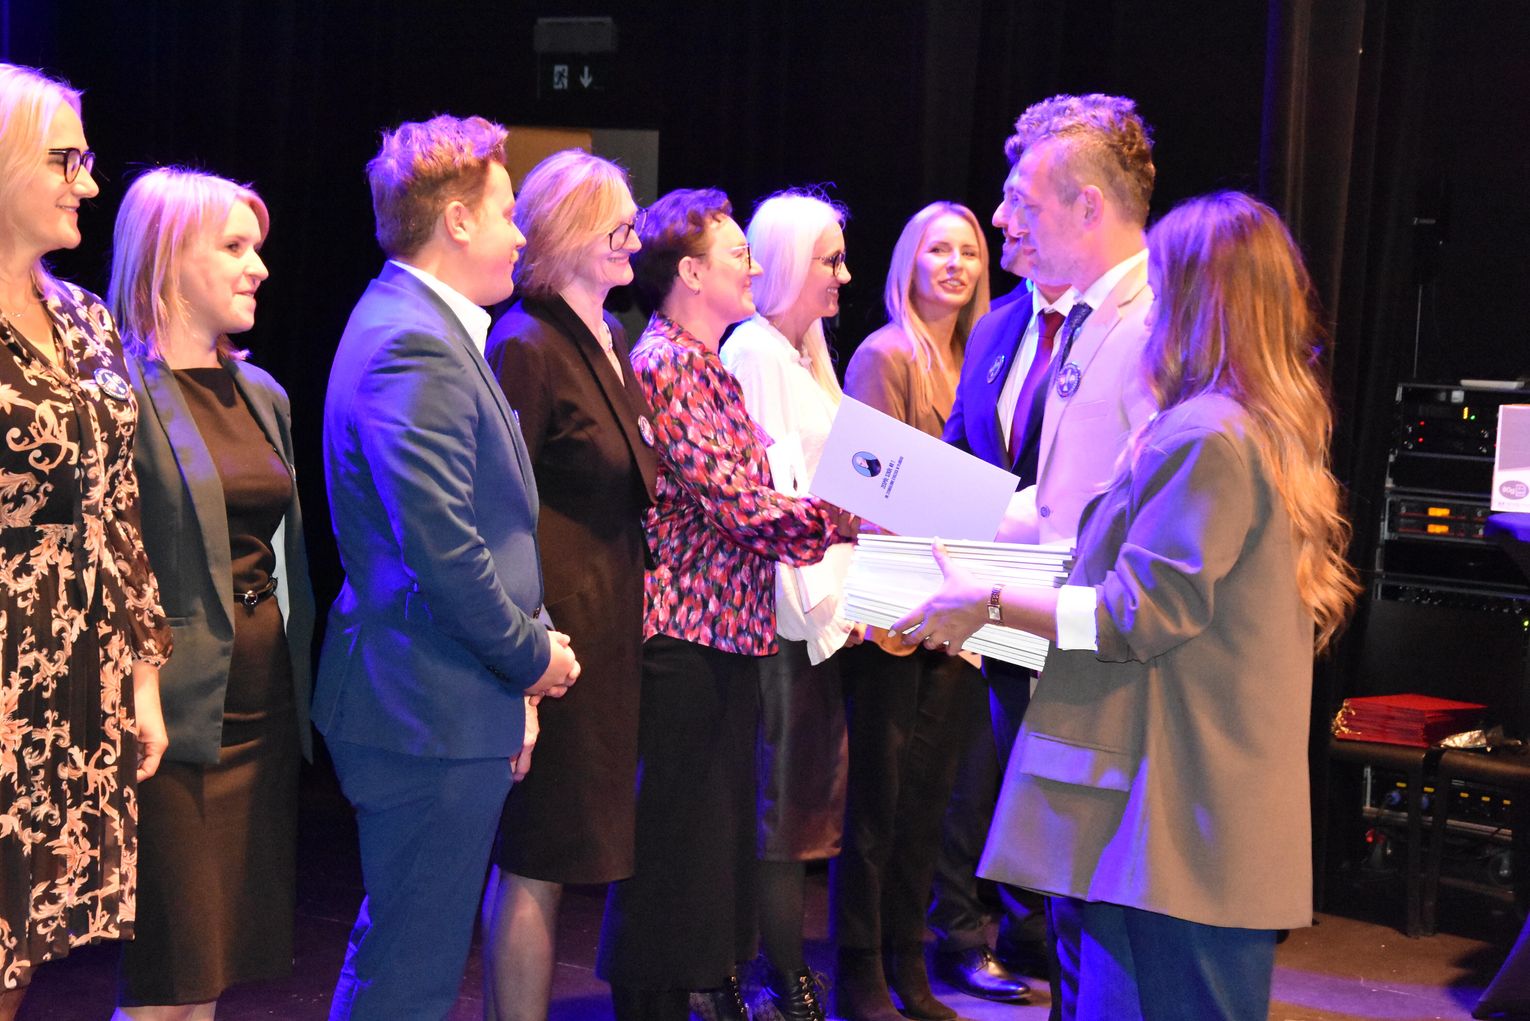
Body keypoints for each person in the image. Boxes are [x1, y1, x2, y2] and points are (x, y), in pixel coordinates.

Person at [895, 190, 1361, 1021]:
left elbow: (1132, 615)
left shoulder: (1206, 434)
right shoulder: (1253, 426)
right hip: (1188, 822)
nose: (1148, 312)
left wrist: (989, 601)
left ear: (1197, 300)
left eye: (1162, 286)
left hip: (1177, 825)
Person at [313, 114, 580, 1021]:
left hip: (442, 697)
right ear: (457, 221)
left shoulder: (426, 326)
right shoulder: (412, 340)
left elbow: (474, 534)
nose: (520, 235)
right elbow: (444, 552)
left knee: (405, 956)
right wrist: (533, 658)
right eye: (507, 212)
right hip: (423, 705)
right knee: (409, 975)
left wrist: (518, 670)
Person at [597, 188, 846, 1021]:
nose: (754, 266)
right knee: (673, 846)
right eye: (739, 253)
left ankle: (679, 996)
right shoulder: (668, 364)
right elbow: (736, 503)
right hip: (686, 638)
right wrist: (843, 519)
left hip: (726, 635)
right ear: (692, 273)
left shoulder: (703, 364)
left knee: (701, 850)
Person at [108, 167, 316, 1020]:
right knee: (168, 984)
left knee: (214, 979)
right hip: (173, 722)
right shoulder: (118, 393)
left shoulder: (263, 395)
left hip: (264, 712)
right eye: (233, 246)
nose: (257, 266)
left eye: (256, 247)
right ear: (166, 259)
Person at [0, 63, 170, 1020]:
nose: (89, 183)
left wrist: (141, 676)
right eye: (66, 160)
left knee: (24, 934)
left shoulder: (85, 316)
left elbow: (117, 506)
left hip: (69, 674)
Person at [480, 149, 657, 1021]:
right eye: (619, 227)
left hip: (606, 635)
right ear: (569, 234)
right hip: (554, 641)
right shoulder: (524, 342)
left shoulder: (608, 338)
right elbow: (496, 510)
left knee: (557, 857)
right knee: (535, 859)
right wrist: (528, 651)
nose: (635, 242)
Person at [928, 116, 1091, 1005]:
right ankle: (984, 932)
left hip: (1081, 611)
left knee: (1060, 810)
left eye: (1018, 204)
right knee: (984, 786)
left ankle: (1048, 948)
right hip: (994, 600)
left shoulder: (1126, 331)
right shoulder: (995, 328)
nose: (1000, 222)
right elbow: (963, 456)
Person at [833, 202, 990, 1021]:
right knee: (876, 804)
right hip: (895, 609)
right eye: (939, 249)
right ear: (910, 262)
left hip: (964, 611)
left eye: (969, 250)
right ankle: (858, 967)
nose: (956, 263)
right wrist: (985, 511)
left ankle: (909, 960)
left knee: (929, 800)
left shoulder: (985, 360)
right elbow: (866, 485)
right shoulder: (884, 353)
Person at [719, 189, 858, 1021]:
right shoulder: (756, 351)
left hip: (813, 622)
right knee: (778, 812)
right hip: (776, 624)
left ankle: (778, 973)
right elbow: (768, 500)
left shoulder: (802, 354)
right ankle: (779, 977)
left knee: (796, 809)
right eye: (828, 258)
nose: (843, 274)